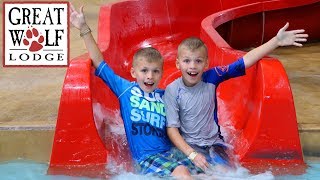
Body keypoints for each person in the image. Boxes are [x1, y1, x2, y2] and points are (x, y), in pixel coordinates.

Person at [70, 4, 196, 179]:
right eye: (144, 71)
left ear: (161, 73)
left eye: (155, 71)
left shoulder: (166, 95)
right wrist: (84, 28)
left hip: (172, 154)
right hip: (147, 158)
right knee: (182, 173)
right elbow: (99, 62)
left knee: (212, 172)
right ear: (133, 73)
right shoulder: (125, 90)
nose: (150, 76)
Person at [163, 23, 308, 173]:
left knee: (225, 174)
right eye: (187, 61)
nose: (192, 66)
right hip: (189, 146)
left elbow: (242, 63)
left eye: (198, 61)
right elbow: (172, 129)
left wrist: (276, 41)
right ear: (178, 64)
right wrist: (192, 154)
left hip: (215, 144)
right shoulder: (173, 91)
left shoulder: (212, 77)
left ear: (206, 64)